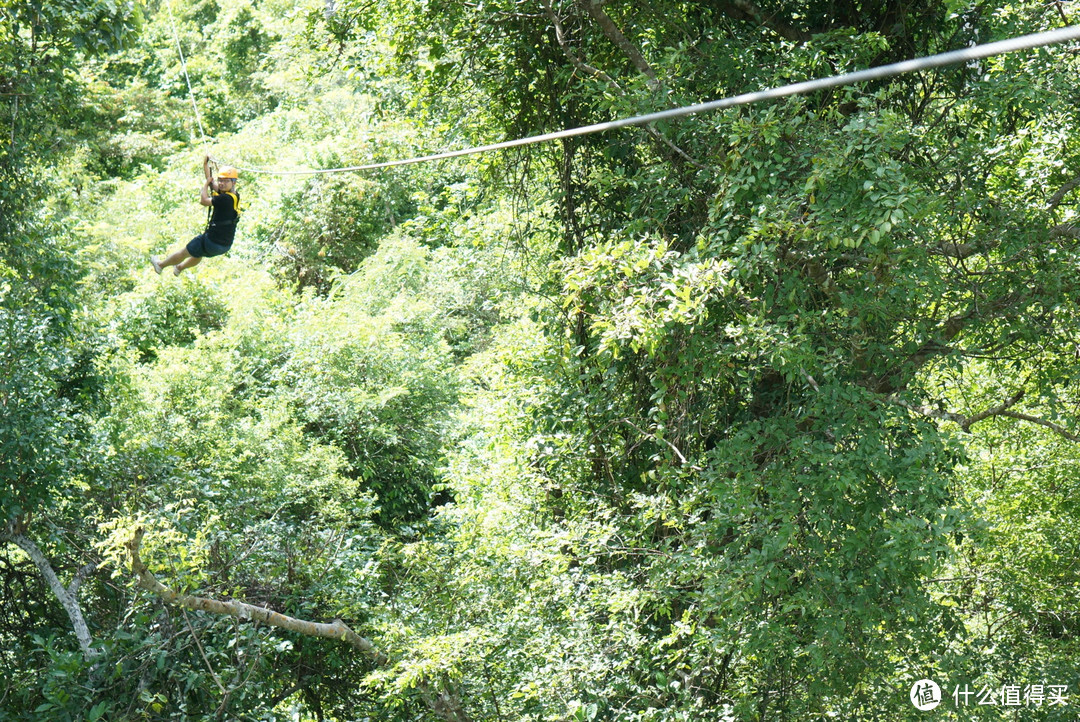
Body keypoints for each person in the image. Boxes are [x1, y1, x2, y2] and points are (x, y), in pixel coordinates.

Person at [151, 156, 241, 275]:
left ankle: (160, 265)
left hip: (212, 241)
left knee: (185, 252)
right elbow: (211, 181)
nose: (221, 184)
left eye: (225, 181)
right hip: (224, 245)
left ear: (233, 182)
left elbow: (204, 200)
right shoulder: (234, 195)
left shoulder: (224, 199)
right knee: (198, 252)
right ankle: (179, 268)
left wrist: (205, 185)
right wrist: (206, 165)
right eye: (220, 180)